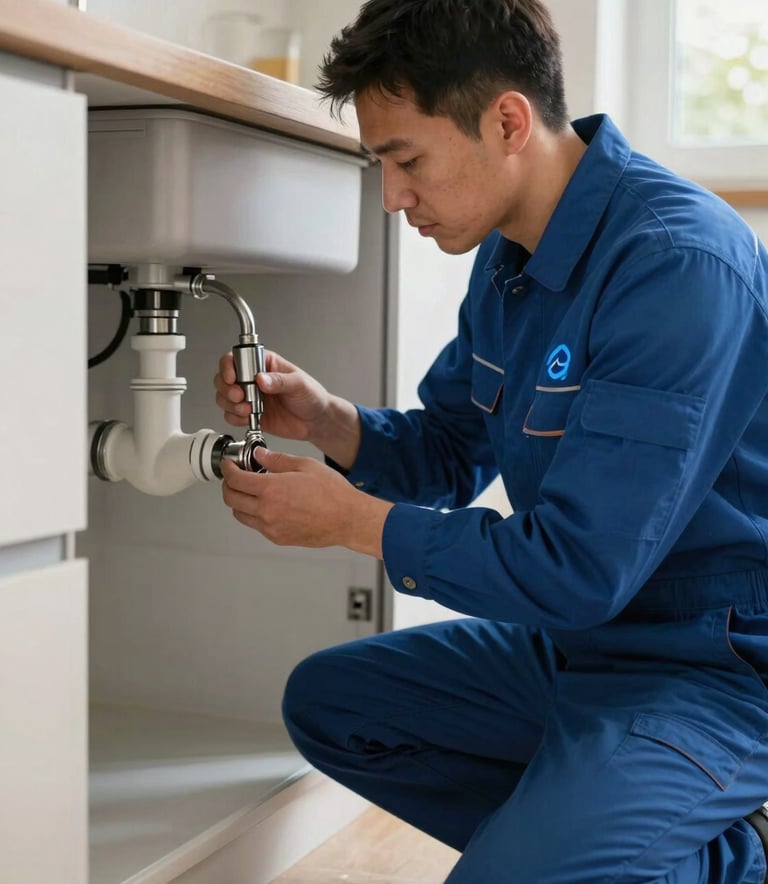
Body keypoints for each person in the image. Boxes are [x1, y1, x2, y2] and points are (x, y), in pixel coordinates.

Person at [213, 1, 768, 880]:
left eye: (407, 161)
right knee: (329, 703)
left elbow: (576, 567)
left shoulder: (677, 265)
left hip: (714, 665)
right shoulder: (512, 259)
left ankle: (720, 849)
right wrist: (326, 419)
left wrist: (355, 523)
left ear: (508, 121)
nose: (393, 197)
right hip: (582, 646)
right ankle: (632, 834)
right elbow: (449, 450)